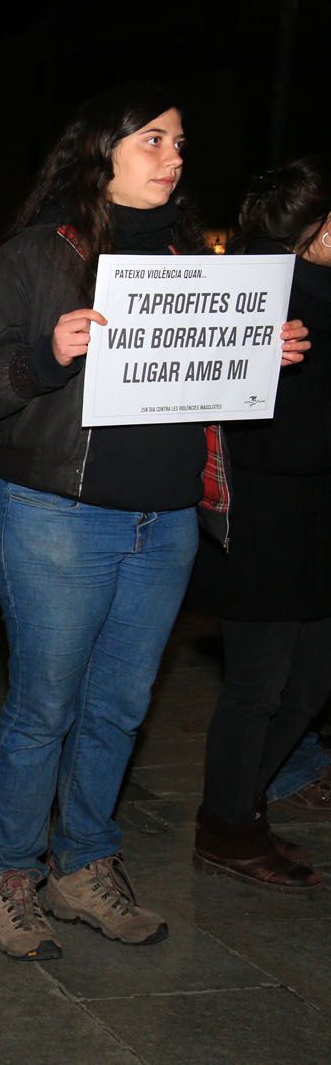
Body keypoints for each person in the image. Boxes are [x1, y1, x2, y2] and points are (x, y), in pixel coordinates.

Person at [0, 84, 310, 961]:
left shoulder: (195, 258)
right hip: (58, 518)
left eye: (179, 142)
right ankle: (13, 871)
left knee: (119, 706)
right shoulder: (41, 253)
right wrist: (46, 354)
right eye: (152, 139)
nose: (173, 156)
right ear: (99, 151)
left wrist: (257, 352)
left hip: (167, 522)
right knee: (45, 706)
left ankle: (86, 862)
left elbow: (201, 383)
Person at [188, 158, 331, 890]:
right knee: (259, 685)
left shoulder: (316, 290)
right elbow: (260, 436)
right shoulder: (259, 295)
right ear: (316, 230)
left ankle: (242, 805)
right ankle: (227, 822)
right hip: (265, 526)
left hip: (312, 525)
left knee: (310, 681)